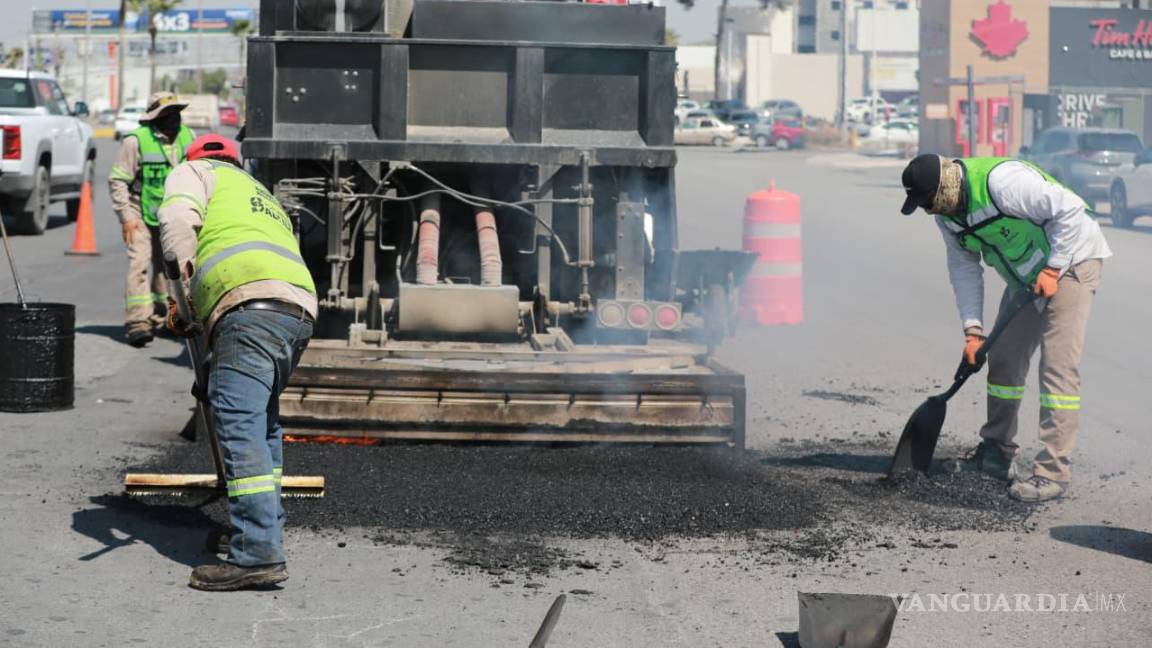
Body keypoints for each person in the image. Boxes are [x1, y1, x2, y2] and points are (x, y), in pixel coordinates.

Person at [899, 153, 1111, 502]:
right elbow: (963, 269)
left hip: (1073, 262)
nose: (928, 210)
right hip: (1026, 277)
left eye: (928, 202)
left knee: (1057, 369)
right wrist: (973, 332)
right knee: (1004, 360)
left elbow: (1070, 208)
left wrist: (1053, 268)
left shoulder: (1003, 183)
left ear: (946, 186)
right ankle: (996, 454)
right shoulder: (947, 217)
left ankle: (1053, 472)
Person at [157, 134, 317, 591]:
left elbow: (174, 224)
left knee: (238, 421)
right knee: (262, 422)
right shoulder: (258, 192)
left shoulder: (195, 172)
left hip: (247, 305)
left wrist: (184, 299)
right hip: (296, 311)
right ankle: (265, 524)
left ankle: (258, 552)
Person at [108, 91, 196, 347]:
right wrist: (126, 216)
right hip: (139, 211)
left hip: (172, 213)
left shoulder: (189, 138)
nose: (174, 119)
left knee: (169, 267)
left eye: (176, 113)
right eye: (167, 114)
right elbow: (117, 180)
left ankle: (163, 317)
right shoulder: (136, 141)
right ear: (155, 117)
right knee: (140, 262)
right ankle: (138, 322)